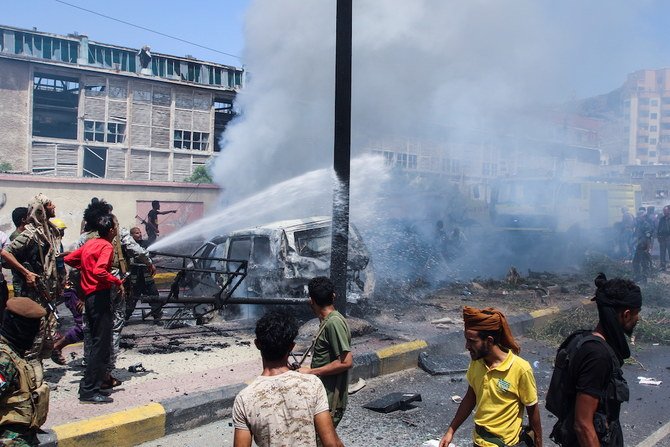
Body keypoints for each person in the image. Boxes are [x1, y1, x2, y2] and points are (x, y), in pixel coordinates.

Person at [548, 273, 641, 447]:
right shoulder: (597, 355)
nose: (638, 319)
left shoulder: (584, 340)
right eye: (637, 314)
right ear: (626, 314)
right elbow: (583, 424)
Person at [232, 310, 344, 447]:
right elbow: (332, 444)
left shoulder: (245, 399)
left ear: (257, 344)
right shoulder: (312, 384)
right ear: (291, 347)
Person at [439, 306, 542, 447]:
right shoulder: (476, 363)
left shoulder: (520, 368)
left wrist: (538, 442)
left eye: (472, 341)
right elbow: (470, 397)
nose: (467, 346)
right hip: (479, 442)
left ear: (489, 340)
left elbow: (532, 408)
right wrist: (450, 431)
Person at [64, 213, 123, 404]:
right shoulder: (106, 246)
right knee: (101, 346)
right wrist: (117, 281)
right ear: (112, 230)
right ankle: (89, 391)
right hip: (100, 297)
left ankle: (90, 385)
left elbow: (70, 259)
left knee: (97, 343)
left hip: (89, 297)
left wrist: (85, 267)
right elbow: (99, 271)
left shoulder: (90, 243)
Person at [1, 194, 62, 375]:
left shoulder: (49, 232)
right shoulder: (30, 234)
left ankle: (36, 375)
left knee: (46, 339)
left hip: (47, 293)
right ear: (42, 209)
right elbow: (6, 254)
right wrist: (26, 272)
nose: (54, 207)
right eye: (50, 204)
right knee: (34, 340)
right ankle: (28, 377)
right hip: (33, 294)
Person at [299, 276, 352, 428]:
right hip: (323, 397)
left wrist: (311, 372)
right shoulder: (327, 321)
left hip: (330, 401)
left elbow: (346, 361)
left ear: (312, 300)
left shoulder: (334, 323)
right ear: (333, 296)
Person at [0, 297, 50, 446]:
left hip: (24, 433)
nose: (34, 334)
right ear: (17, 327)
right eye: (31, 327)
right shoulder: (4, 360)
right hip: (10, 439)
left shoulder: (16, 352)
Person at [632, 208, 653, 282]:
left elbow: (648, 237)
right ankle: (637, 277)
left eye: (639, 216)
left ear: (643, 217)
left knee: (644, 262)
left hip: (644, 246)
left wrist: (648, 249)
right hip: (639, 246)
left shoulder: (646, 225)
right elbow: (638, 236)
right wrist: (633, 243)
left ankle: (644, 279)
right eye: (638, 216)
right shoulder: (639, 224)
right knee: (635, 262)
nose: (638, 218)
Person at [656, 205, 670, 270]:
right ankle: (662, 266)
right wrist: (658, 236)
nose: (664, 212)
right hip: (662, 238)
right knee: (662, 252)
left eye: (665, 210)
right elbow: (659, 228)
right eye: (663, 211)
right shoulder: (662, 219)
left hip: (669, 237)